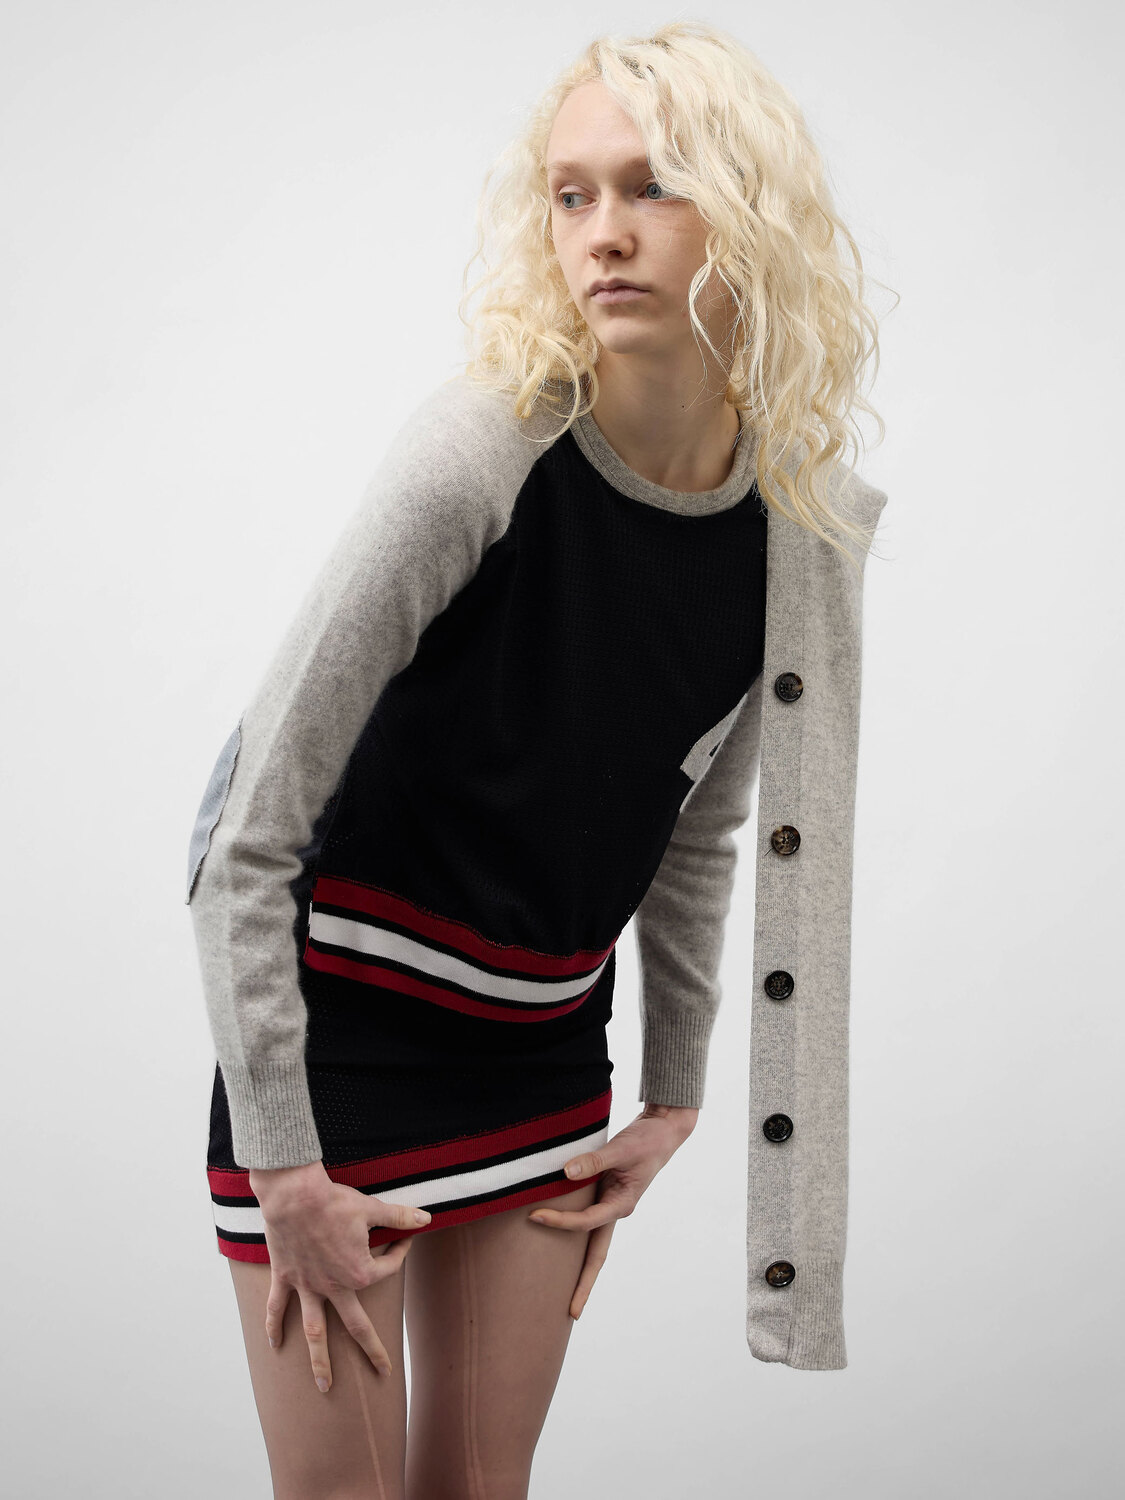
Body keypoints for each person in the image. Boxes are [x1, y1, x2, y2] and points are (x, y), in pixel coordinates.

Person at [185, 20, 890, 1499]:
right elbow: (245, 834)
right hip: (334, 1045)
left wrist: (673, 1096)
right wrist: (284, 1165)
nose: (602, 234)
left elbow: (697, 830)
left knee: (480, 1488)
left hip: (540, 1047)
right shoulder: (480, 451)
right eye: (572, 194)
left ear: (750, 210)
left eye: (653, 186)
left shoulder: (792, 526)